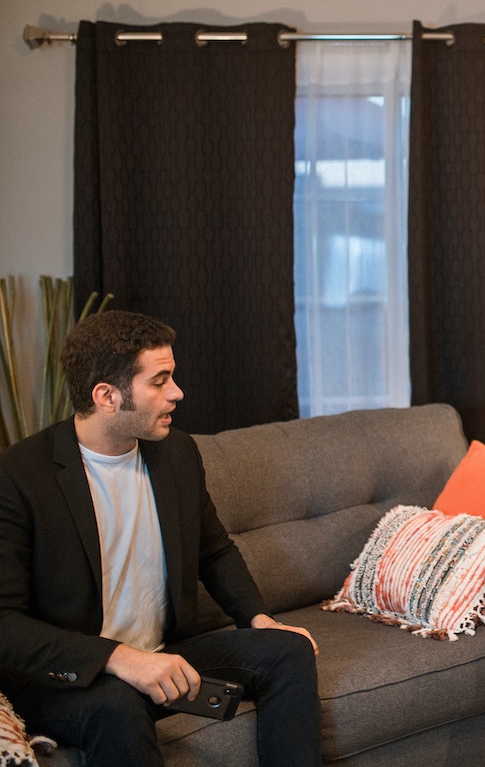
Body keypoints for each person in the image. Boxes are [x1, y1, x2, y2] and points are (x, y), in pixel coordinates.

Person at [0, 310, 322, 767]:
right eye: (159, 381)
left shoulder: (177, 453)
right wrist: (119, 659)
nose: (177, 392)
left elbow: (214, 550)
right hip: (72, 677)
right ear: (106, 396)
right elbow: (5, 623)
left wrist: (257, 617)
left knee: (289, 650)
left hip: (165, 653)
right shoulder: (18, 477)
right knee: (116, 704)